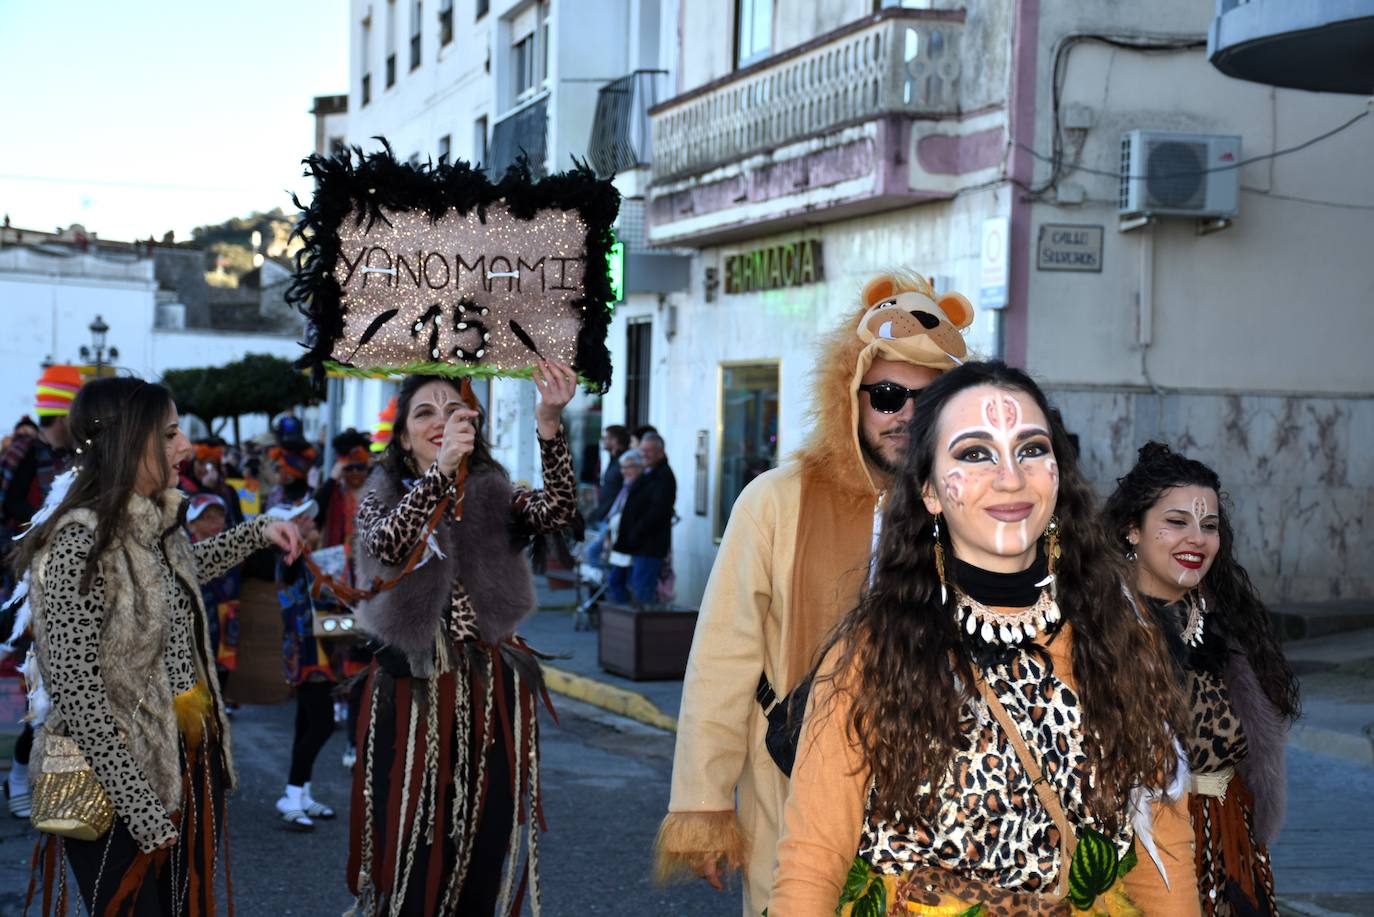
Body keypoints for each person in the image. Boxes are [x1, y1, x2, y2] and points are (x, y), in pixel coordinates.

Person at [769, 360, 1198, 915]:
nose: (1011, 477)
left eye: (1031, 449)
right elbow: (811, 862)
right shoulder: (872, 655)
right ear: (928, 490)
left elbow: (1163, 852)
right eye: (975, 453)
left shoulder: (1123, 637)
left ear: (1058, 473)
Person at [654, 271, 975, 913]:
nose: (906, 415)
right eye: (886, 395)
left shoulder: (979, 509)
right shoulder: (776, 502)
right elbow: (723, 661)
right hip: (795, 803)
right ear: (849, 396)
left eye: (929, 398)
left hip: (945, 822)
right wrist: (706, 804)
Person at [19, 376, 302, 915]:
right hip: (114, 787)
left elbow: (182, 576)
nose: (186, 447)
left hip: (183, 767)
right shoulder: (76, 544)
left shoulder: (155, 523)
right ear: (129, 441)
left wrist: (259, 531)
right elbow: (78, 697)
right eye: (170, 434)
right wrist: (144, 813)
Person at [347, 361, 579, 915]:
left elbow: (559, 510)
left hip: (487, 691)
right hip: (412, 694)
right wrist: (439, 474)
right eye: (424, 413)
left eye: (454, 410)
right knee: (413, 846)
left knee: (484, 835)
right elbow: (388, 544)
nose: (440, 421)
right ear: (403, 437)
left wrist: (548, 423)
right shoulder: (378, 494)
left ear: (473, 422)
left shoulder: (496, 492)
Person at [1105, 442, 1300, 916]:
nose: (1197, 538)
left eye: (1208, 526)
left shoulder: (1229, 626)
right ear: (1133, 530)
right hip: (1141, 853)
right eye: (1176, 522)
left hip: (1231, 845)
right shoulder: (1097, 630)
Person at [0, 366, 83, 821]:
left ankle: (56, 782)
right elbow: (6, 510)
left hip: (73, 586)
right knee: (41, 689)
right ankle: (17, 776)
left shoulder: (84, 456)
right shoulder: (24, 451)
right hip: (30, 589)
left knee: (66, 688)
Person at [275, 504, 346, 831]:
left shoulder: (308, 558)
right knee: (322, 723)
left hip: (317, 648)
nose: (310, 522)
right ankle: (291, 794)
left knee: (307, 723)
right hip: (305, 652)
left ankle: (301, 792)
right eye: (301, 519)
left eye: (309, 518)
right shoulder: (290, 556)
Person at [186, 493, 242, 708]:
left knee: (218, 687)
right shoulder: (179, 552)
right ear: (191, 525)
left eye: (219, 517)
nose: (216, 523)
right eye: (207, 518)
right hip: (193, 632)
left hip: (226, 630)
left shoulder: (232, 548)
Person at [608, 432, 675, 604]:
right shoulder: (648, 472)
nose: (643, 454)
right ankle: (627, 628)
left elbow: (658, 511)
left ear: (660, 452)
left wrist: (637, 530)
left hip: (649, 545)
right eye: (642, 450)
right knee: (622, 582)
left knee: (642, 590)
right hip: (636, 543)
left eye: (649, 451)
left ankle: (643, 629)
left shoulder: (663, 476)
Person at [600, 448, 644, 574]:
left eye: (628, 467)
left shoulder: (640, 487)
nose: (623, 471)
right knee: (615, 580)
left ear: (639, 466)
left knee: (621, 581)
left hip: (631, 543)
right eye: (622, 467)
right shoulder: (627, 486)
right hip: (619, 540)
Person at [587, 424, 630, 524]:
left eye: (606, 438)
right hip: (605, 516)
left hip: (614, 518)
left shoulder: (625, 462)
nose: (603, 441)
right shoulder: (614, 460)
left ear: (615, 440)